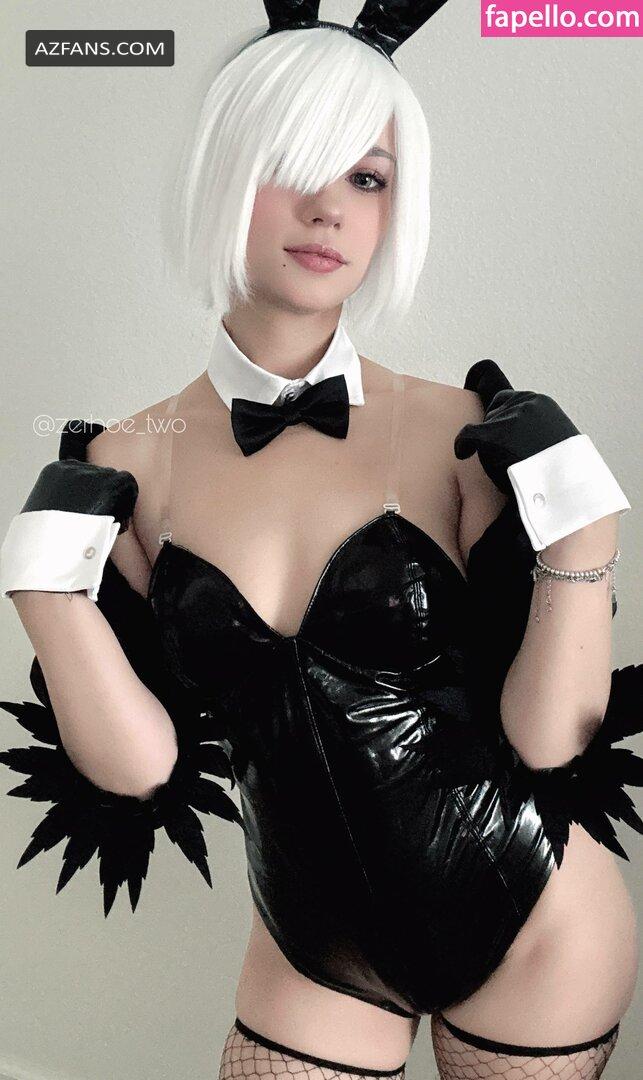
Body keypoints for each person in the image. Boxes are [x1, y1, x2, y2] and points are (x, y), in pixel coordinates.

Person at [0, 3, 640, 1078]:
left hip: (537, 921)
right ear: (222, 170)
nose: (328, 207)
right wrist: (46, 596)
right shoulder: (127, 461)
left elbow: (546, 743)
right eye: (291, 165)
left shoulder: (458, 430)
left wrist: (583, 533)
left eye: (367, 178)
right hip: (311, 948)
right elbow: (141, 769)